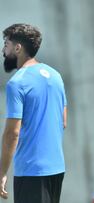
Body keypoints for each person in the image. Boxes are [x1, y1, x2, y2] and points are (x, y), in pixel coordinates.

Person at [0, 23, 67, 203]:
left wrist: (2, 172)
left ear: (18, 47)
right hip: (57, 168)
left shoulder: (17, 83)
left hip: (31, 171)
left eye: (6, 44)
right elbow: (63, 121)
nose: (3, 50)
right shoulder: (55, 75)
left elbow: (12, 134)